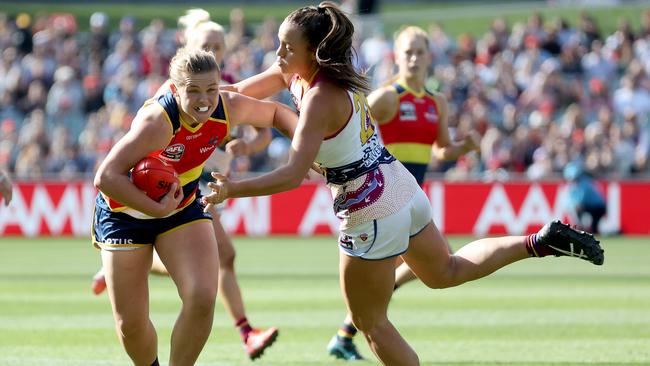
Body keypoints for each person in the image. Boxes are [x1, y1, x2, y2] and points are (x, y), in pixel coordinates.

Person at [204, 3, 604, 365]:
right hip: (400, 186)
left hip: (370, 210)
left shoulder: (321, 99)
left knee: (371, 324)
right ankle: (540, 241)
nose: (279, 54)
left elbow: (293, 174)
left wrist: (233, 189)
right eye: (280, 45)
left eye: (288, 47)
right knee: (446, 271)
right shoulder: (300, 75)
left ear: (315, 52)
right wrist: (175, 102)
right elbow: (234, 93)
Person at [91, 9, 279, 360]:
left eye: (218, 45)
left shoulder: (223, 97)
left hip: (181, 198)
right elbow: (105, 177)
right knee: (130, 325)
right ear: (175, 86)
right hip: (124, 211)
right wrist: (156, 207)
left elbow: (267, 108)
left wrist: (309, 146)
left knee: (203, 295)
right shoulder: (158, 119)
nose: (205, 99)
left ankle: (238, 332)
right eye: (194, 91)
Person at [326, 25, 482, 361]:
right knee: (428, 265)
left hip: (410, 202)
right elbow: (349, 126)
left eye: (419, 52)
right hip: (381, 202)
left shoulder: (436, 103)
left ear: (429, 57)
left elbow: (440, 152)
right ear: (396, 56)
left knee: (405, 269)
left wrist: (463, 147)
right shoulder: (387, 98)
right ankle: (346, 333)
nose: (413, 58)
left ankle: (344, 334)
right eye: (407, 52)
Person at [564, 162, 607, 234]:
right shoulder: (573, 185)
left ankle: (581, 229)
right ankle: (580, 228)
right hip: (592, 206)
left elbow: (580, 202)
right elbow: (570, 203)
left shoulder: (584, 183)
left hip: (598, 207)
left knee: (594, 227)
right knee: (575, 211)